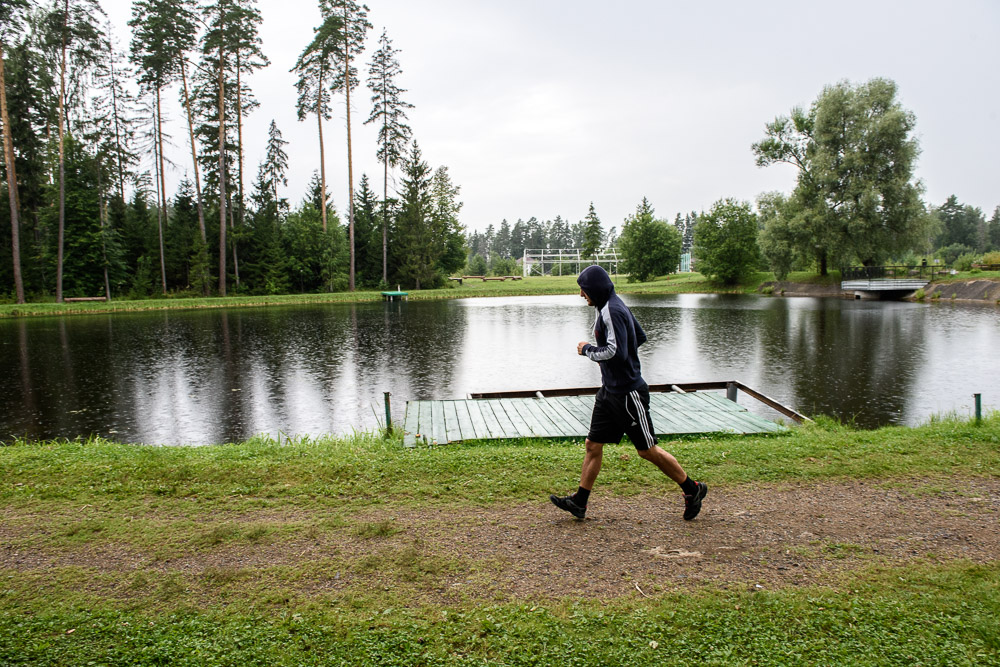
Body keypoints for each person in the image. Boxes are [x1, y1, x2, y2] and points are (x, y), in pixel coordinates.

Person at [549, 265, 707, 520]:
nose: (581, 294)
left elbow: (614, 351)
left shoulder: (612, 309)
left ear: (595, 289)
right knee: (593, 444)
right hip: (609, 392)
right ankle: (580, 501)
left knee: (647, 450)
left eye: (584, 289)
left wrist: (587, 349)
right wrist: (621, 362)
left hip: (627, 394)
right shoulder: (609, 306)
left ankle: (693, 489)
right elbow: (639, 337)